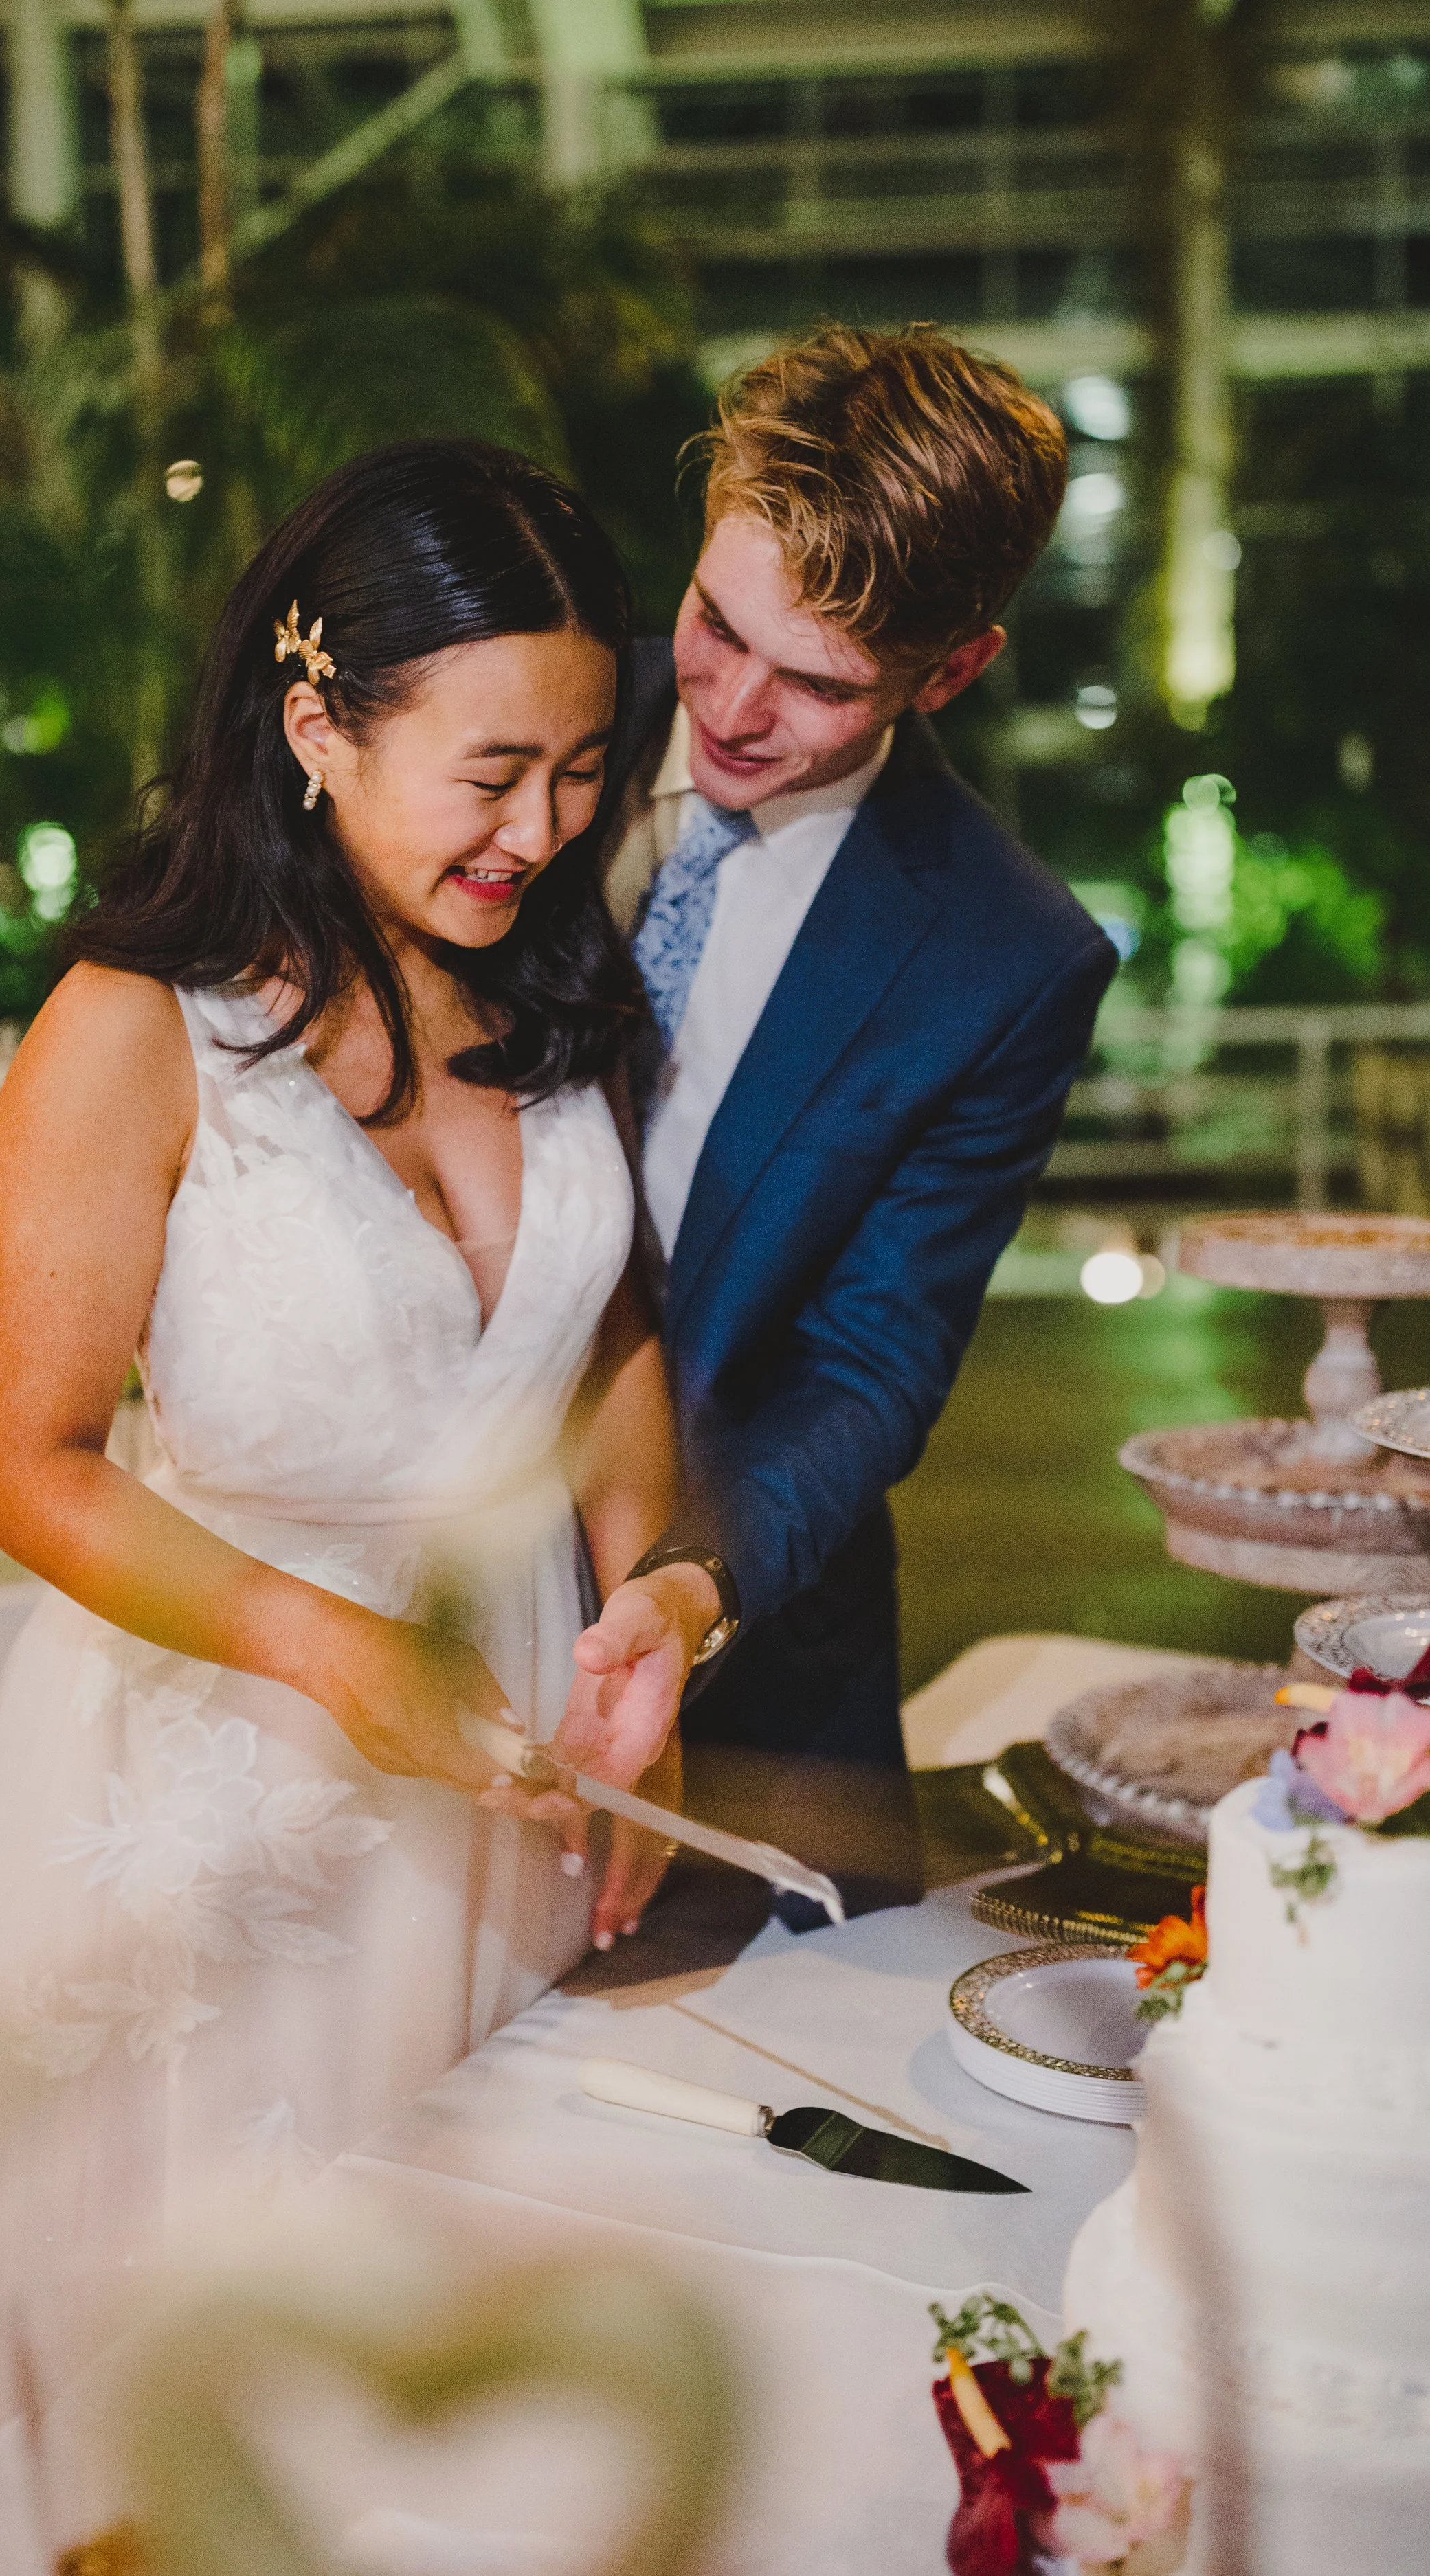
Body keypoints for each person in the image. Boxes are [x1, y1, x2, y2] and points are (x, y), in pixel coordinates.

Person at [0, 440, 714, 2540]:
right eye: (491, 772)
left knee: (463, 2386)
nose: (543, 830)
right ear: (317, 725)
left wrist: (650, 1602)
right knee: (205, 2402)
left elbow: (599, 1355)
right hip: (228, 1794)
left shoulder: (557, 1004)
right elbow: (24, 1464)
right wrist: (333, 1654)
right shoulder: (136, 1029)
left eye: (586, 771)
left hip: (496, 1774)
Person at [561, 326, 1119, 1920]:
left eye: (817, 683)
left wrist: (684, 1594)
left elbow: (874, 1359)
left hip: (748, 1674)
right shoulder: (535, 717)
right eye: (713, 625)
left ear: (951, 671)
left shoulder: (1006, 957)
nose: (733, 708)